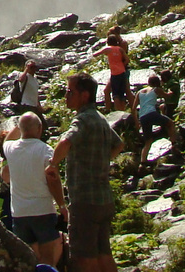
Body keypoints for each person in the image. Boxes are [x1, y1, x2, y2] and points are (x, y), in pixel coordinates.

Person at [51, 73, 124, 272]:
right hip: (104, 199)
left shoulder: (82, 120)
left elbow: (66, 142)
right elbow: (119, 144)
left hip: (84, 201)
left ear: (84, 95)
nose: (66, 96)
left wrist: (52, 164)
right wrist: (102, 158)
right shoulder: (100, 118)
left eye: (70, 91)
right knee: (103, 253)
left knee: (84, 258)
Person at [1, 112, 67, 266]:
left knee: (28, 260)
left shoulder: (10, 148)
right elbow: (53, 181)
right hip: (43, 210)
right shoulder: (46, 150)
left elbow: (7, 139)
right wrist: (62, 206)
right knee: (48, 260)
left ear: (21, 129)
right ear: (40, 128)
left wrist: (19, 126)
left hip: (19, 214)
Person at [136, 74, 178, 171]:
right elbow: (167, 96)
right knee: (170, 123)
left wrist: (136, 121)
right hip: (152, 114)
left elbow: (134, 108)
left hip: (142, 117)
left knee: (148, 142)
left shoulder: (139, 92)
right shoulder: (155, 89)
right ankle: (174, 145)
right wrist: (170, 91)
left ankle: (142, 164)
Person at [91, 34, 131, 110]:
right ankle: (123, 111)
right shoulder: (120, 49)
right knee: (121, 94)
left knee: (115, 94)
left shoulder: (108, 49)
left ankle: (117, 112)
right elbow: (127, 60)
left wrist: (103, 52)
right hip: (122, 72)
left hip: (115, 74)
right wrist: (122, 65)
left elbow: (95, 54)